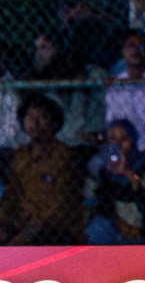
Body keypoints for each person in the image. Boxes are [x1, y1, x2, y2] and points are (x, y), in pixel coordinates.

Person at [0, 95, 84, 245]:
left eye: (42, 117)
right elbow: (10, 195)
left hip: (54, 228)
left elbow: (62, 205)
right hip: (23, 222)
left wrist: (33, 224)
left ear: (54, 123)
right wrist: (4, 221)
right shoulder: (21, 156)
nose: (35, 122)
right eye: (30, 117)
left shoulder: (64, 157)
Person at [86, 119, 145, 245]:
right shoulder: (103, 170)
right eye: (112, 139)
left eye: (123, 140)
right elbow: (94, 202)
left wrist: (129, 174)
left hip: (142, 232)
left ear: (133, 142)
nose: (117, 146)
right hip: (117, 231)